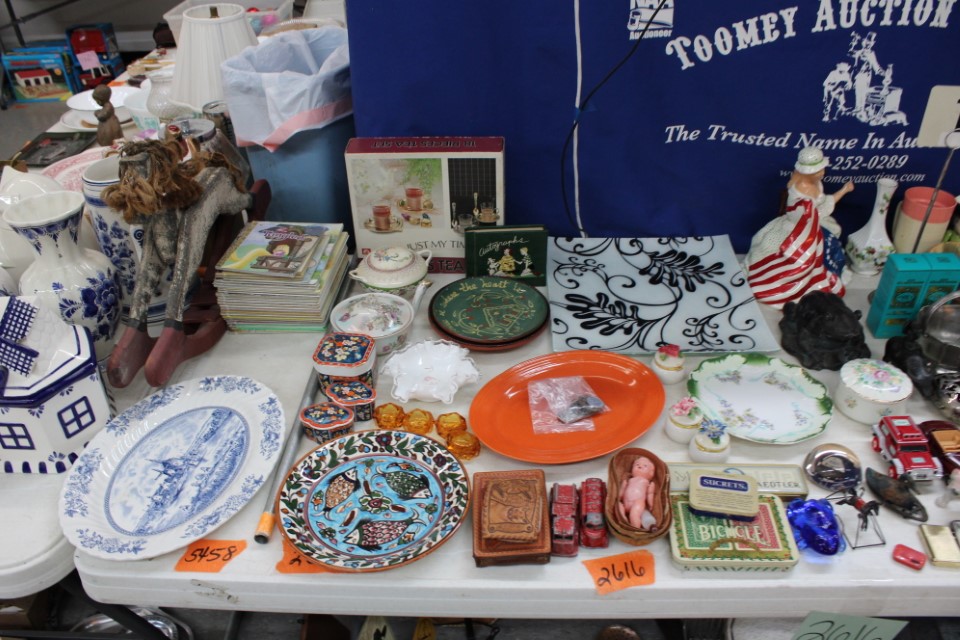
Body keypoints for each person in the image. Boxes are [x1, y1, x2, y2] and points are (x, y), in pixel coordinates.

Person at [745, 147, 853, 308]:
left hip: (814, 221)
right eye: (819, 170)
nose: (823, 172)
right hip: (799, 229)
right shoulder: (802, 192)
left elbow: (822, 205)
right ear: (809, 172)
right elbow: (812, 215)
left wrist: (843, 191)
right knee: (816, 248)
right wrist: (843, 191)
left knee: (833, 233)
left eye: (822, 169)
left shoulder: (815, 183)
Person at [618, 455, 657, 530]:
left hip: (637, 502)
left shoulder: (647, 482)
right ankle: (623, 519)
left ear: (651, 473)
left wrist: (650, 504)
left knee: (634, 514)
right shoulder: (630, 480)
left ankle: (635, 528)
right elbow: (622, 492)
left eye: (645, 466)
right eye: (637, 464)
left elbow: (650, 494)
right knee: (619, 506)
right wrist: (622, 489)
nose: (640, 466)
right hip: (625, 503)